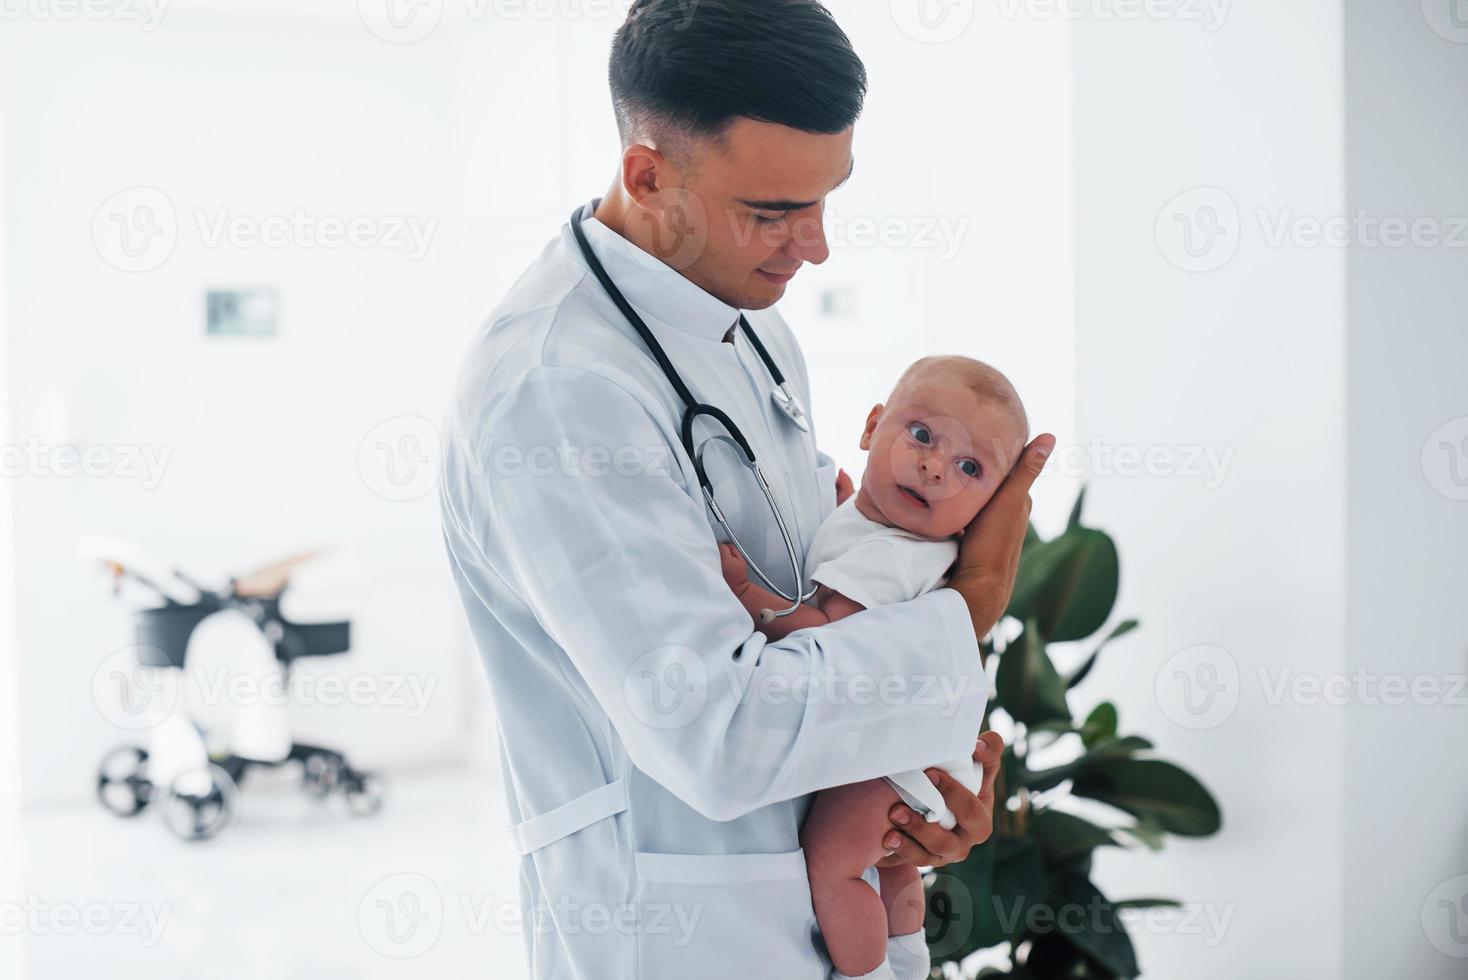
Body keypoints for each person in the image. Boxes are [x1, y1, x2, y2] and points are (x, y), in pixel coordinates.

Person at [438, 2, 1056, 977]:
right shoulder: (556, 390)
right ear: (646, 175)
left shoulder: (753, 328)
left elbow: (829, 595)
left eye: (825, 199)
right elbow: (716, 729)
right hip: (679, 933)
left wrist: (918, 776)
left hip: (813, 890)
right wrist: (968, 606)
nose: (813, 245)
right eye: (771, 210)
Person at [720, 355, 1030, 980]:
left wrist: (749, 597)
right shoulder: (880, 531)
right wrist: (842, 509)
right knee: (891, 869)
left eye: (970, 468)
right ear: (870, 428)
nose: (935, 467)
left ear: (988, 510)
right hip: (929, 761)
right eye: (921, 435)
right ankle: (909, 957)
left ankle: (867, 975)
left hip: (901, 766)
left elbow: (821, 633)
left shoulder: (888, 558)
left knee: (833, 863)